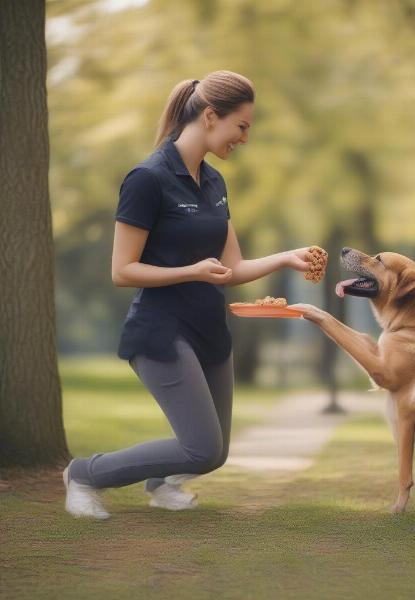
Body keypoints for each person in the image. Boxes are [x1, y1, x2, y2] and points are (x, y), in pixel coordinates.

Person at [63, 71, 314, 519]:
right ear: (212, 116)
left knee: (214, 453)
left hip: (208, 330)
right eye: (242, 126)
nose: (245, 137)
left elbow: (231, 269)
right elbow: (123, 270)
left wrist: (286, 257)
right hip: (161, 331)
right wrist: (191, 271)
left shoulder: (215, 183)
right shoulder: (147, 178)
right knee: (200, 448)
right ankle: (84, 473)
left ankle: (159, 485)